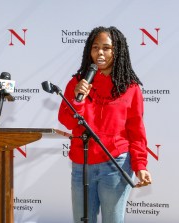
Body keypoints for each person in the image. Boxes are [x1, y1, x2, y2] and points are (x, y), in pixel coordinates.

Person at [58, 26, 152, 223]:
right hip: (82, 165)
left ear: (117, 51)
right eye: (95, 47)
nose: (99, 52)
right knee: (82, 220)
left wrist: (140, 165)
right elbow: (66, 121)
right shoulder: (77, 83)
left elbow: (136, 131)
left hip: (116, 164)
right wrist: (78, 99)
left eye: (106, 48)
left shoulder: (131, 88)